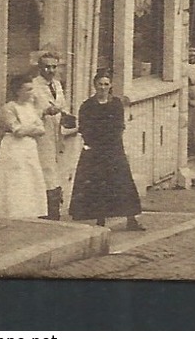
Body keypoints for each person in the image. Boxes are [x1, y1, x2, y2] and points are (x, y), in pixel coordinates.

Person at [68, 71, 144, 230]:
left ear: (110, 86)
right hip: (95, 150)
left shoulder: (115, 104)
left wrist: (111, 142)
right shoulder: (87, 105)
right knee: (97, 184)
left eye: (106, 84)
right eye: (100, 84)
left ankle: (131, 219)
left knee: (122, 183)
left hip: (113, 148)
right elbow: (84, 127)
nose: (103, 88)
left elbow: (118, 126)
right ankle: (100, 219)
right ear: (94, 85)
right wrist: (92, 142)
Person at [0, 75, 48, 219]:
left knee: (30, 177)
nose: (31, 93)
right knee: (15, 178)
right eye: (27, 90)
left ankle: (29, 212)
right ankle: (12, 212)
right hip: (13, 147)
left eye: (31, 89)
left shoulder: (30, 107)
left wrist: (29, 129)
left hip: (29, 147)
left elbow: (42, 129)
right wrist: (32, 129)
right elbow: (17, 131)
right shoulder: (9, 108)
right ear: (17, 91)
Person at [28, 47, 72, 220]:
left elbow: (62, 104)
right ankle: (44, 209)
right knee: (44, 169)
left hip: (57, 133)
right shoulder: (33, 86)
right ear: (40, 68)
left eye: (54, 67)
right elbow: (28, 109)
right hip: (41, 134)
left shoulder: (57, 84)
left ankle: (55, 208)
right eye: (47, 67)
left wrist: (65, 115)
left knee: (57, 168)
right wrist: (44, 111)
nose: (51, 71)